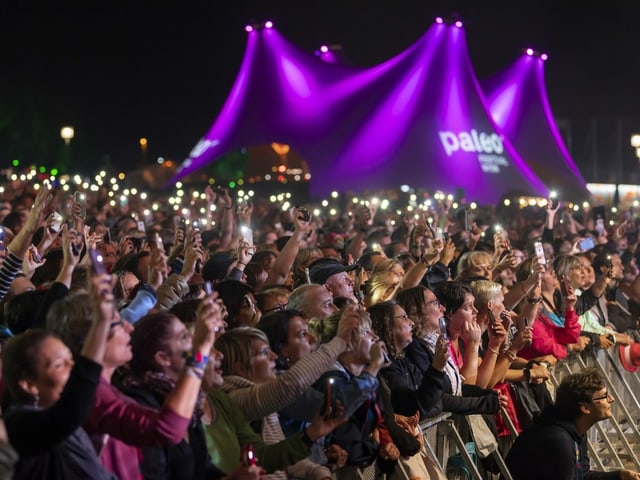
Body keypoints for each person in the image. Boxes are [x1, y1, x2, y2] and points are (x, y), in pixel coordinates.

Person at [2, 271, 114, 479]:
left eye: (71, 359)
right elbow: (69, 414)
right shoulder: (20, 424)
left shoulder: (47, 409)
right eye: (60, 365)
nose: (74, 367)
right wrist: (101, 323)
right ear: (29, 383)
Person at [505, 368, 640, 480]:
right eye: (604, 396)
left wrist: (621, 475)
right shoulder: (557, 439)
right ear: (585, 408)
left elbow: (582, 475)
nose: (612, 399)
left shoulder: (575, 429)